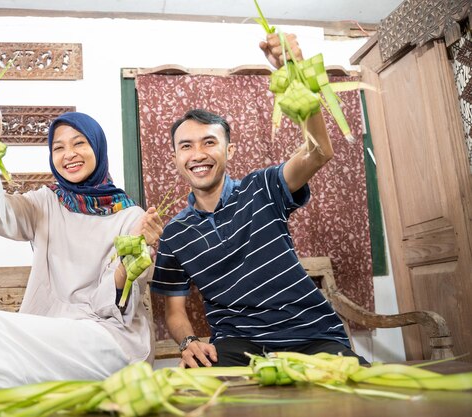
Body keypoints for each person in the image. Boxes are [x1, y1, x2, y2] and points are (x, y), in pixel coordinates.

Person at [0, 87, 163, 392]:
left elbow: (111, 305)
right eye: (58, 148)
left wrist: (131, 257)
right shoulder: (46, 203)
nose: (68, 154)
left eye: (79, 143)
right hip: (48, 339)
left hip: (108, 342)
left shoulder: (131, 218)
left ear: (98, 147)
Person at [150, 33, 367, 368]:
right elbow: (175, 312)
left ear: (229, 150)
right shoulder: (174, 234)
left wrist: (296, 77)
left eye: (209, 142)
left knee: (356, 394)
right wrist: (190, 341)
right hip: (237, 345)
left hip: (311, 336)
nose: (198, 155)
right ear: (175, 157)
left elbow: (319, 152)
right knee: (195, 394)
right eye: (186, 146)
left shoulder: (262, 187)